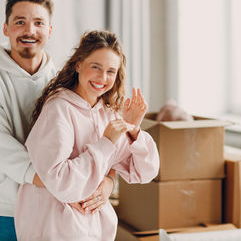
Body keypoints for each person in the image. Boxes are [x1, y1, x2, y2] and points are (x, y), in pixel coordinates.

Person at [0, 0, 116, 241]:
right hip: (4, 212)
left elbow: (93, 134)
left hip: (54, 208)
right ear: (6, 28)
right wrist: (63, 183)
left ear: (49, 30)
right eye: (20, 22)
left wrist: (108, 181)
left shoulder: (66, 82)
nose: (29, 31)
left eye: (38, 22)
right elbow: (0, 147)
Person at [14, 30, 160, 241]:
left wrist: (132, 130)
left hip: (93, 227)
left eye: (111, 71)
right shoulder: (58, 110)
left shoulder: (107, 113)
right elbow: (61, 182)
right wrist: (106, 142)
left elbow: (145, 172)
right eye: (96, 67)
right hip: (53, 226)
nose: (103, 78)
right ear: (78, 64)